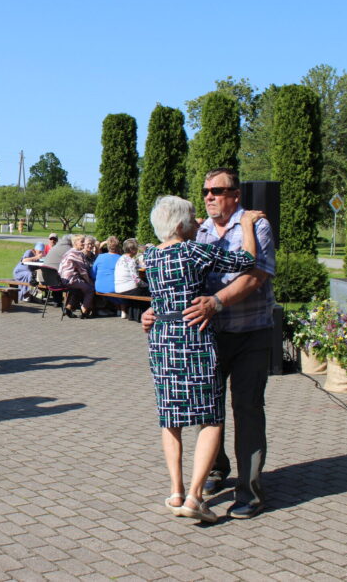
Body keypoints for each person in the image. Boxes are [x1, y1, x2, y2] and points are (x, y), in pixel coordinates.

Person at [147, 168, 276, 520]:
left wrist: (216, 302)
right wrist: (154, 311)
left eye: (217, 190)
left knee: (247, 409)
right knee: (208, 410)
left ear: (235, 194)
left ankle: (249, 491)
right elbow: (179, 284)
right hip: (206, 336)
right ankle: (214, 473)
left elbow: (255, 274)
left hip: (248, 331)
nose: (208, 196)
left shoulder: (256, 225)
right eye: (205, 191)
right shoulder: (200, 231)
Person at [59, 235, 95, 318]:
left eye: (84, 241)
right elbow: (83, 272)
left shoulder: (68, 252)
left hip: (62, 279)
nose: (83, 243)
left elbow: (61, 267)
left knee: (77, 289)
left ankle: (68, 308)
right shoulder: (77, 253)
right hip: (70, 279)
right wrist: (89, 282)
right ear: (75, 243)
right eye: (82, 242)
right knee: (90, 289)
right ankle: (84, 310)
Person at [113, 238, 148, 319]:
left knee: (141, 289)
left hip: (118, 288)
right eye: (136, 248)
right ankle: (141, 316)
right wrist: (147, 285)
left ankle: (132, 315)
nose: (137, 250)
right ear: (132, 250)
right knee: (148, 290)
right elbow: (137, 280)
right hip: (128, 288)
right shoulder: (131, 261)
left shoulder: (121, 258)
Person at [91, 236, 122, 309]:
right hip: (115, 288)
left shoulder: (100, 257)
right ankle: (120, 309)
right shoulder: (121, 258)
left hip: (99, 287)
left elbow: (93, 274)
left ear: (107, 246)